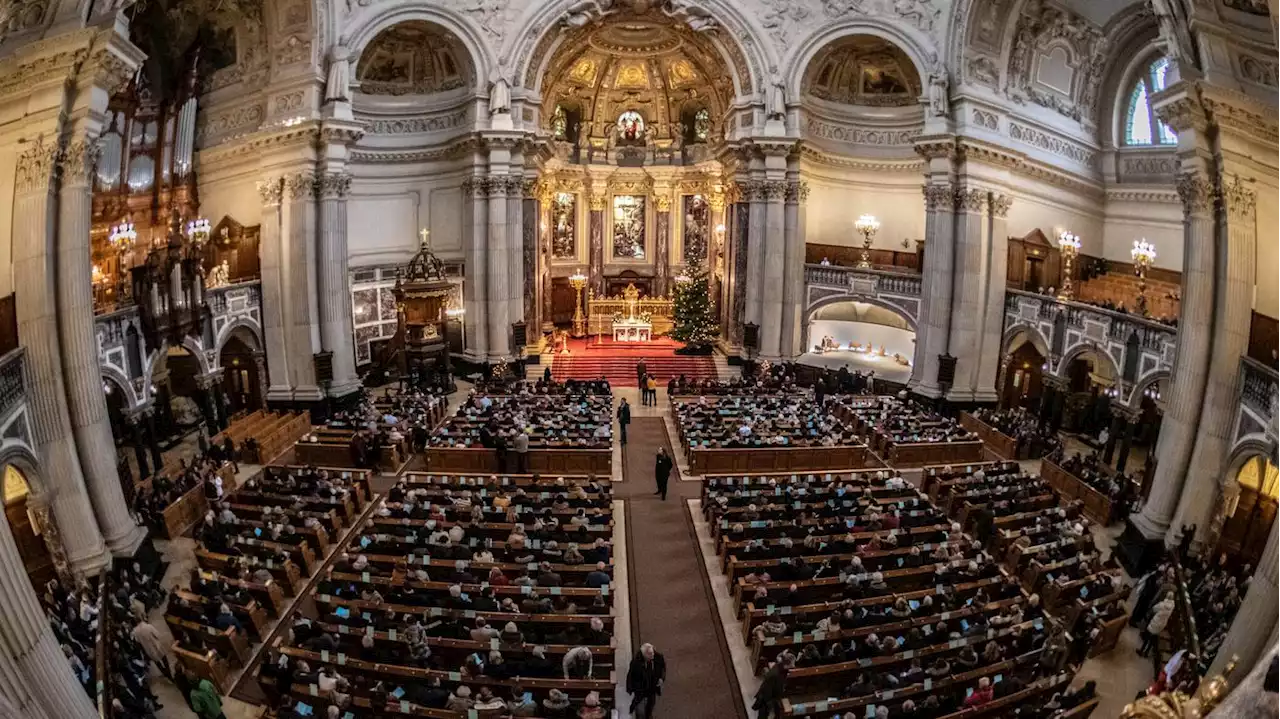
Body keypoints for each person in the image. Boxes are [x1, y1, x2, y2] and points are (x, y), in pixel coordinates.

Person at [626, 643, 666, 719]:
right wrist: (630, 688)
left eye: (652, 653)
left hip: (652, 685)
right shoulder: (636, 662)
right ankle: (632, 710)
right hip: (641, 686)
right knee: (638, 701)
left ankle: (648, 715)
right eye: (650, 654)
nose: (652, 655)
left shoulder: (658, 657)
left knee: (651, 703)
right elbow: (631, 675)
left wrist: (661, 678)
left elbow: (663, 668)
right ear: (644, 655)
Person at [754, 654, 792, 719]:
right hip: (766, 698)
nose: (792, 667)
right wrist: (769, 702)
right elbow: (767, 689)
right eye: (790, 665)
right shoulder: (775, 673)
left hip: (773, 696)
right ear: (786, 664)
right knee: (763, 714)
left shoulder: (782, 670)